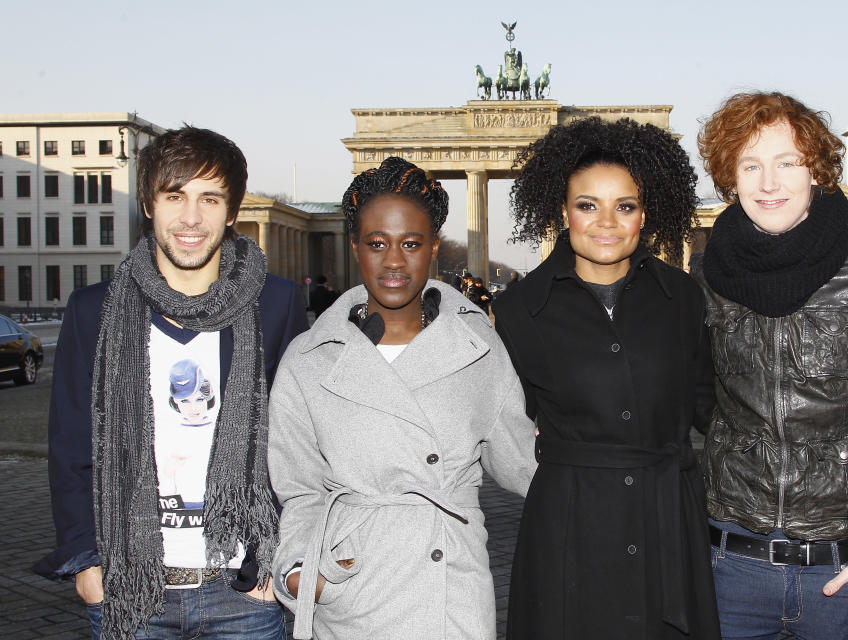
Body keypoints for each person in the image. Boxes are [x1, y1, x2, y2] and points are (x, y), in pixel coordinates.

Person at [33, 126, 308, 639]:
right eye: (174, 196)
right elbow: (70, 445)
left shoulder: (276, 304)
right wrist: (87, 561)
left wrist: (277, 556)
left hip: (243, 591)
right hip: (130, 589)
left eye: (210, 198)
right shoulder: (93, 312)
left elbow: (298, 442)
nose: (190, 218)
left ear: (231, 211)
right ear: (148, 204)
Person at [693, 92, 848, 639]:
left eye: (788, 162)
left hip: (842, 574)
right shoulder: (707, 281)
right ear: (729, 177)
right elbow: (693, 400)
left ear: (817, 172)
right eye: (750, 164)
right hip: (729, 570)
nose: (769, 183)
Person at [268, 156, 537, 640]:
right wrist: (302, 571)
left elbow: (525, 464)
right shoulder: (309, 359)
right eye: (377, 244)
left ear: (434, 248)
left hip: (450, 587)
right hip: (352, 589)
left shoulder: (478, 349)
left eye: (411, 244)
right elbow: (299, 487)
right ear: (355, 248)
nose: (394, 261)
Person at [493, 117, 720, 639]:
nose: (606, 222)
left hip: (669, 519)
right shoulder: (519, 309)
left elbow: (713, 408)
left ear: (645, 214)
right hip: (570, 527)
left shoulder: (684, 297)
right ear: (563, 210)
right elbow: (500, 421)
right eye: (587, 205)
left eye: (625, 206)